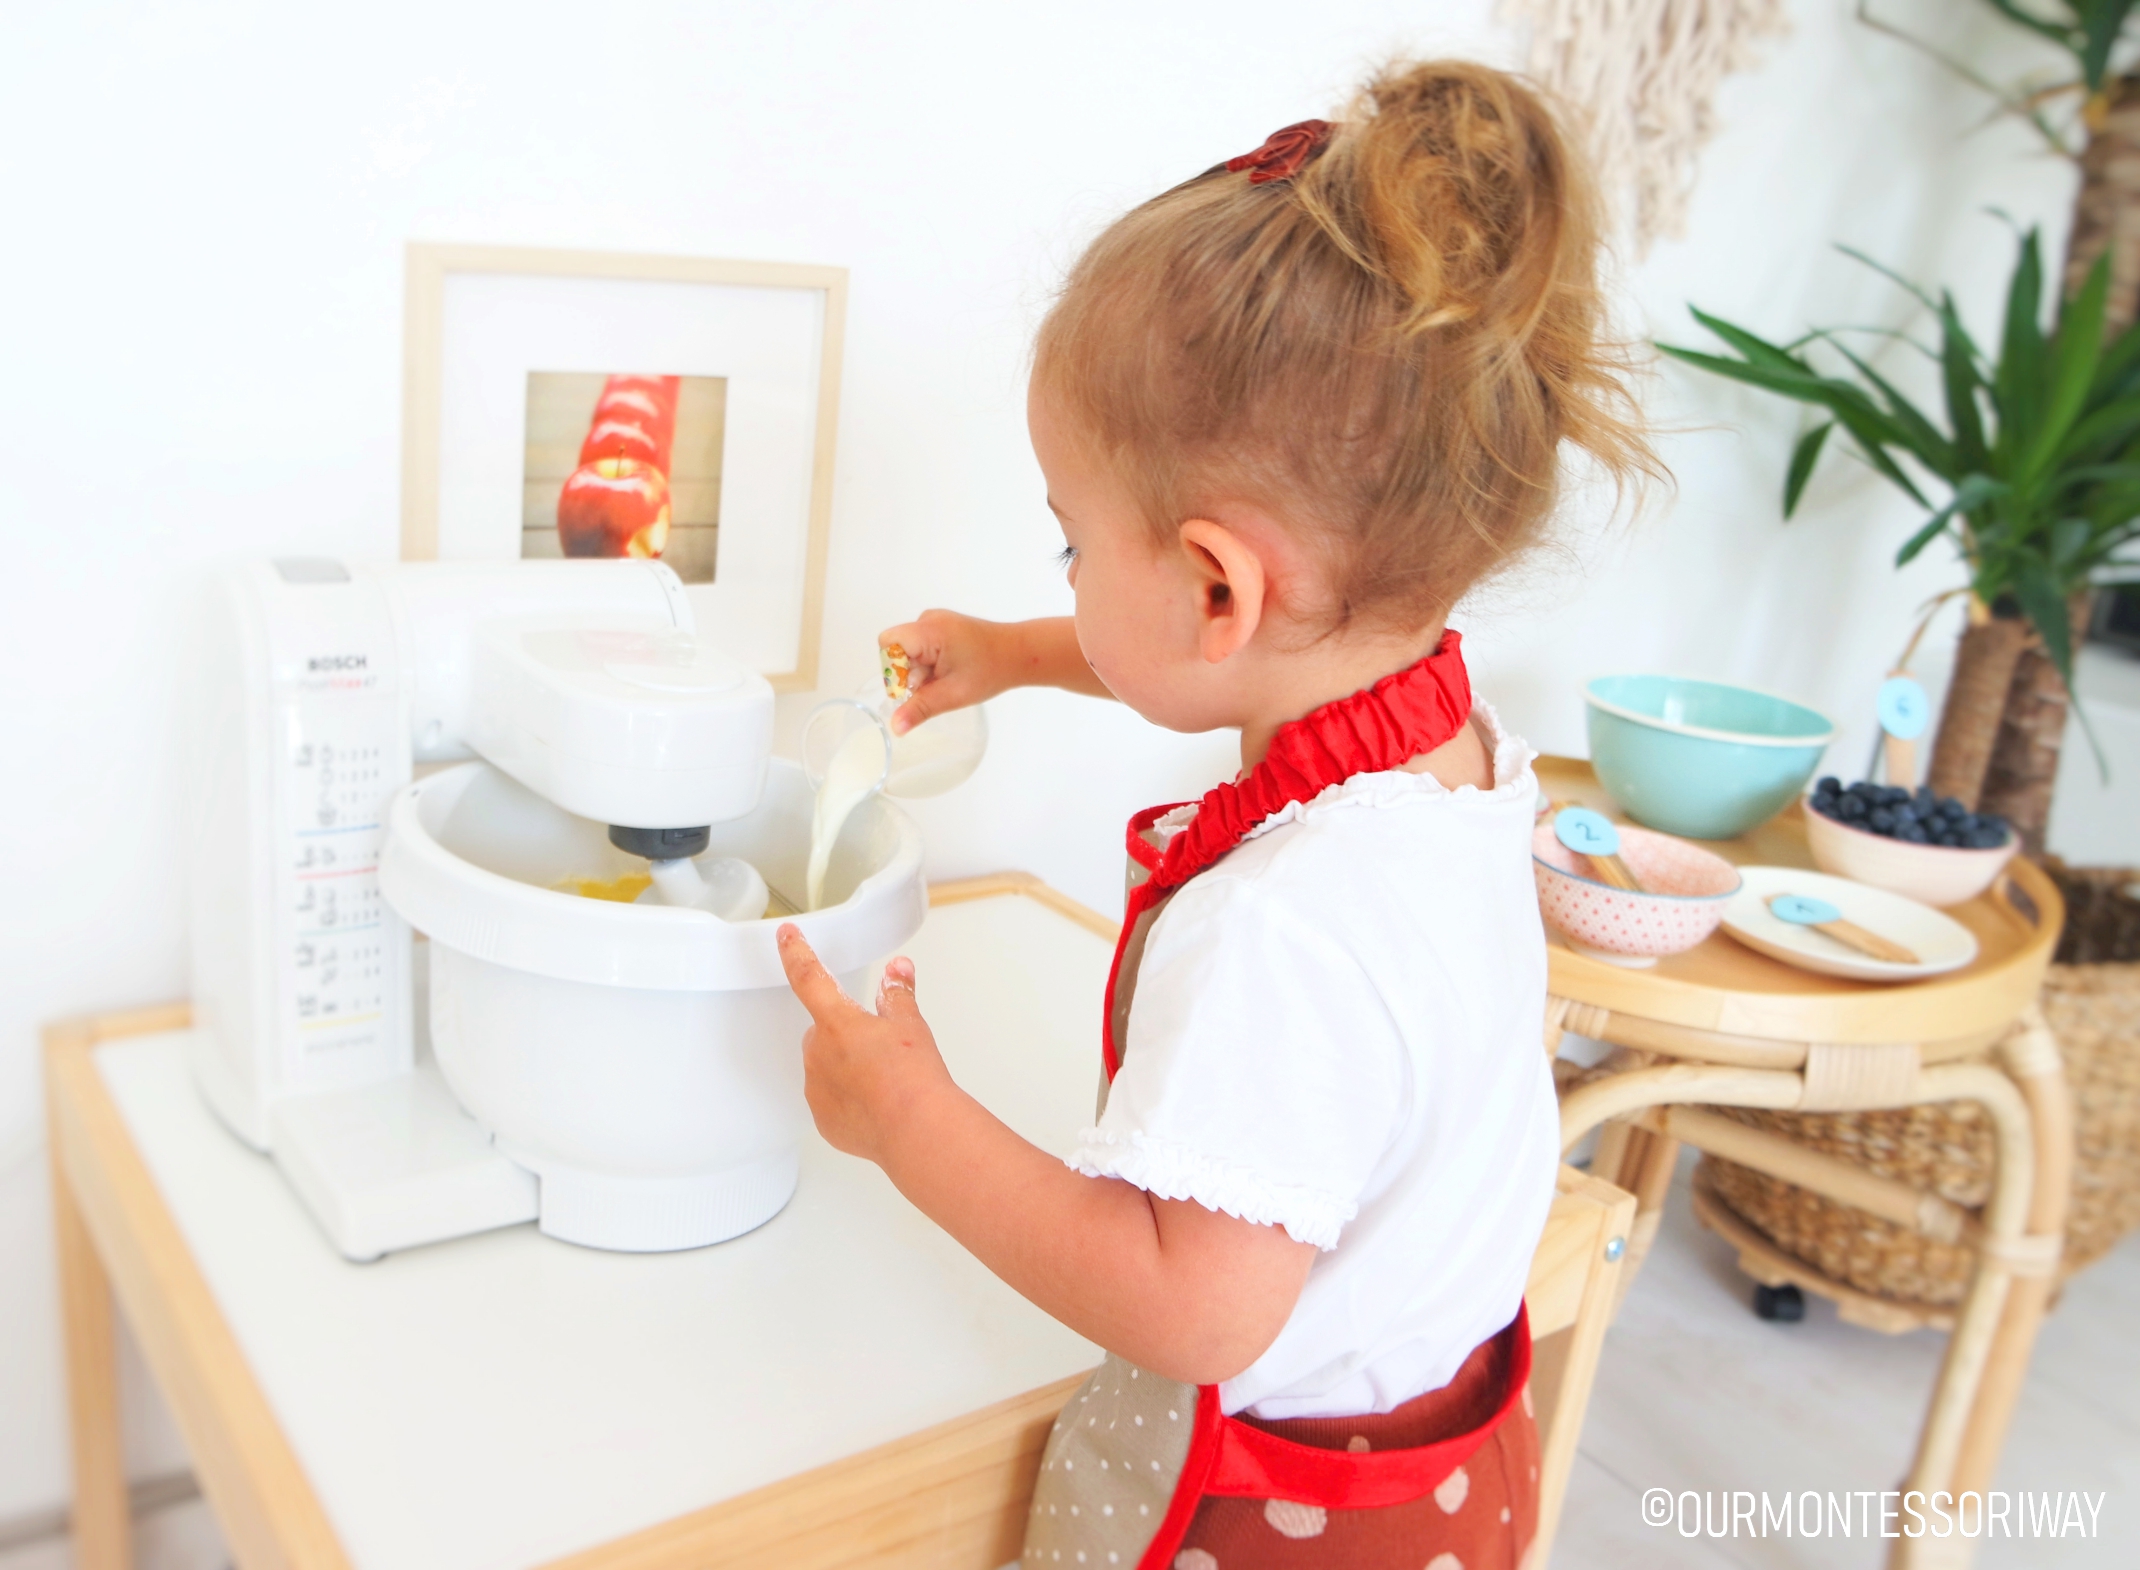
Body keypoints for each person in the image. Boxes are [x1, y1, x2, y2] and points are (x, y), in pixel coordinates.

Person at [775, 58, 1654, 1570]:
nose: (1063, 574)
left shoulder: (1286, 926)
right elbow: (1233, 673)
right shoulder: (1435, 724)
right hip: (1451, 1451)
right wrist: (1017, 652)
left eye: (1067, 544)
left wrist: (905, 1118)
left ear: (1214, 584)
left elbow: (1187, 1303)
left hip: (1291, 1522)